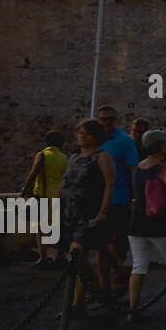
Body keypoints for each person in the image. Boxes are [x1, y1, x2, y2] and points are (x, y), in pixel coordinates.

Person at [126, 131, 166, 322]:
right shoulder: (162, 168)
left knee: (138, 266)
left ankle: (133, 308)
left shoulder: (138, 167)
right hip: (160, 222)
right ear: (161, 146)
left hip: (137, 222)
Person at [59, 119, 115, 315]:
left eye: (87, 133)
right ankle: (88, 296)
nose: (82, 136)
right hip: (70, 213)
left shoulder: (102, 157)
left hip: (89, 214)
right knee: (79, 258)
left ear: (96, 136)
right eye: (80, 132)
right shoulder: (73, 157)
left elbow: (109, 185)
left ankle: (82, 299)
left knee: (77, 254)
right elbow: (65, 184)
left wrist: (103, 212)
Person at [96, 105, 139, 293]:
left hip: (119, 199)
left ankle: (114, 278)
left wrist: (135, 198)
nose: (106, 122)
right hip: (96, 201)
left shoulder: (124, 141)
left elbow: (133, 171)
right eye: (103, 119)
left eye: (110, 118)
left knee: (116, 243)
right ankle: (109, 280)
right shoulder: (95, 141)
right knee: (101, 244)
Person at [21, 130, 68, 266]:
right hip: (58, 196)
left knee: (41, 229)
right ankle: (60, 256)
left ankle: (43, 257)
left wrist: (25, 190)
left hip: (42, 195)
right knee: (58, 228)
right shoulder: (64, 157)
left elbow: (33, 173)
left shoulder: (42, 155)